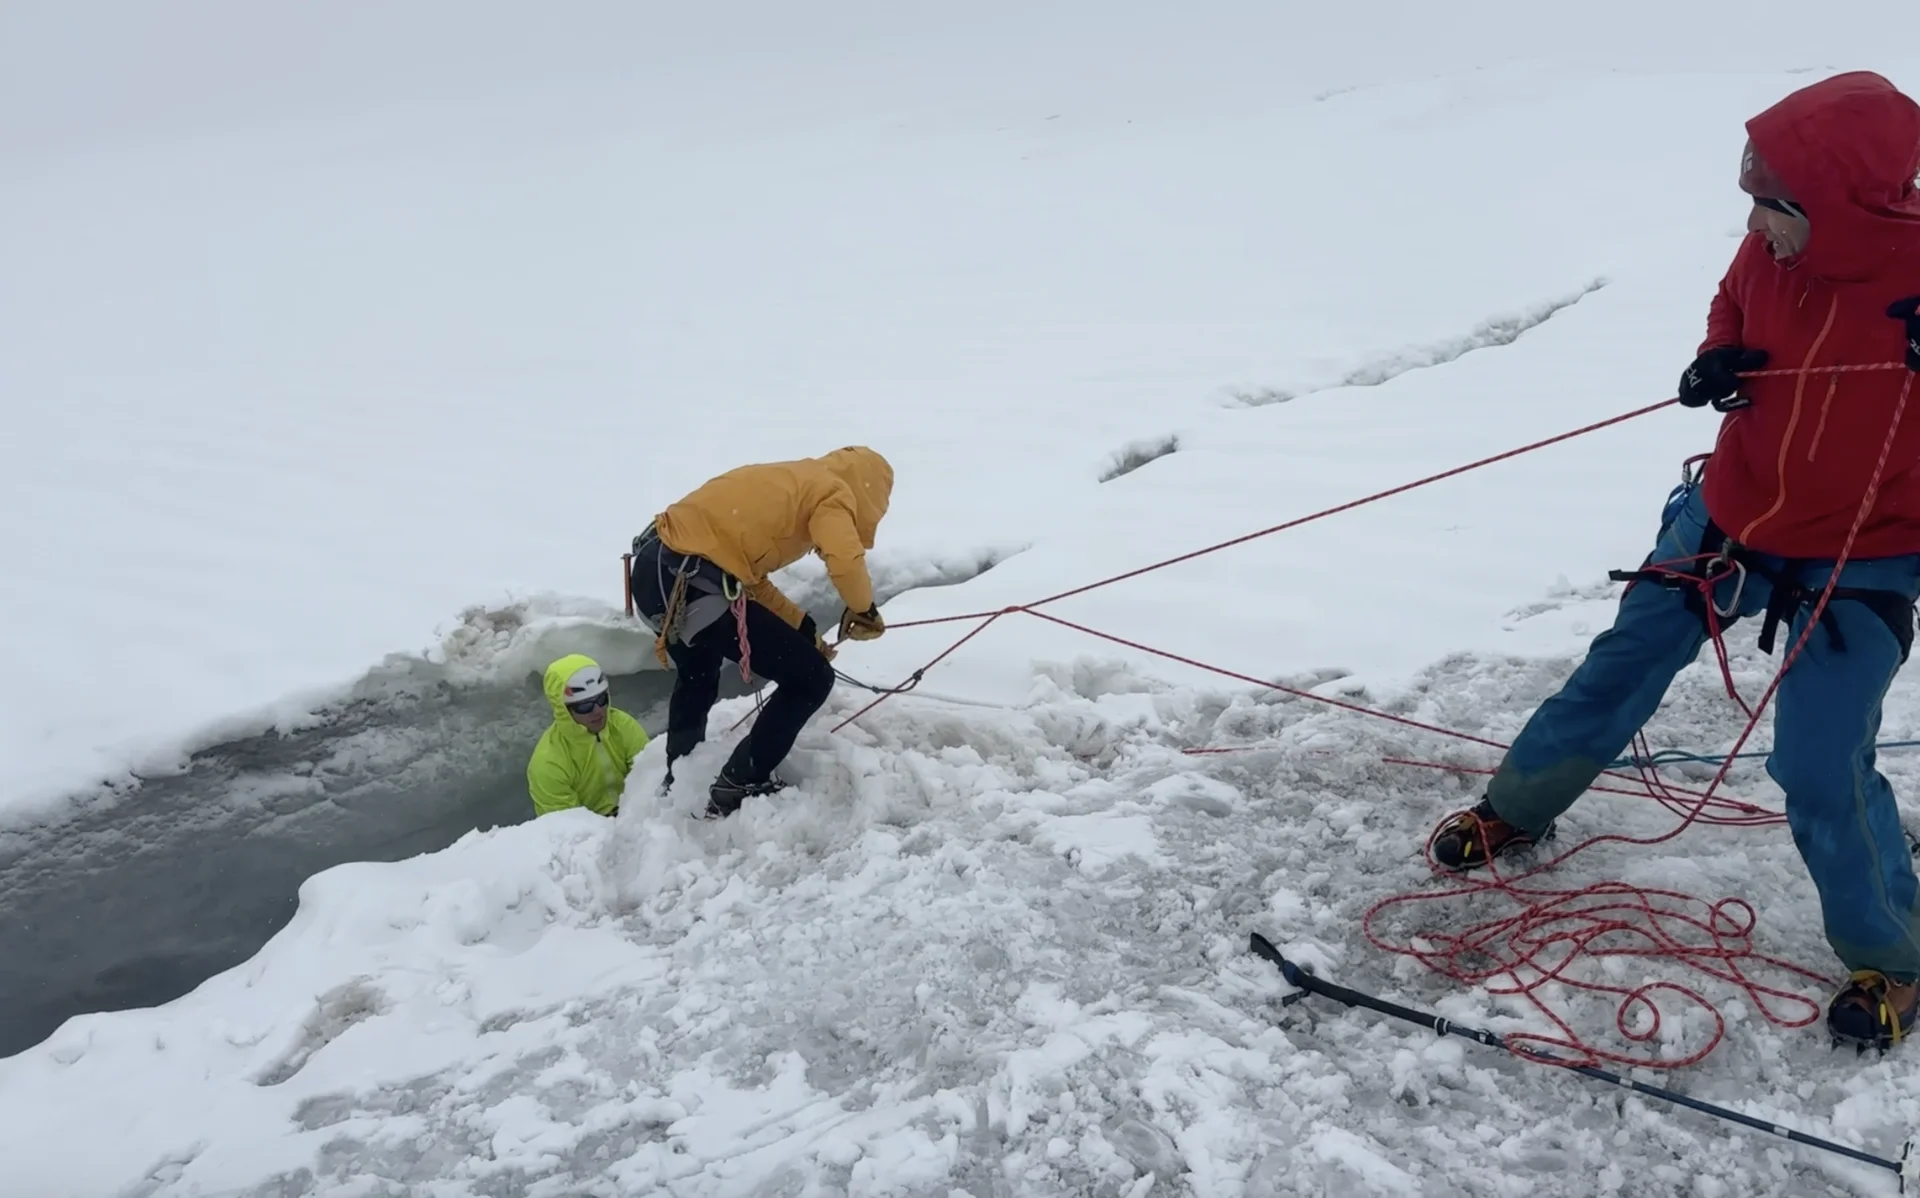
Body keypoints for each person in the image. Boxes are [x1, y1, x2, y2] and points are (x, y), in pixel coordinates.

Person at [1426, 71, 1920, 1050]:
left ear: (1838, 205)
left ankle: (1894, 957)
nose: (1756, 225)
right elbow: (1732, 300)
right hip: (1728, 516)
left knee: (1818, 760)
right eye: (1753, 201)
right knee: (1621, 664)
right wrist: (1718, 352)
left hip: (1863, 554)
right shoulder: (1767, 251)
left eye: (1773, 207)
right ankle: (1516, 808)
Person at [629, 446, 893, 817]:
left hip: (655, 574)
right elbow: (845, 559)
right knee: (811, 679)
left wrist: (804, 629)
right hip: (692, 581)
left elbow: (752, 582)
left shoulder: (794, 481)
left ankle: (681, 773)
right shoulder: (832, 492)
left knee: (698, 673)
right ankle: (741, 780)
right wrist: (864, 609)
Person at [526, 653, 651, 818]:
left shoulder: (623, 726)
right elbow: (568, 825)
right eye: (585, 706)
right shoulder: (549, 763)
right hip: (592, 830)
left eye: (601, 699)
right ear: (564, 710)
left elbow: (650, 777)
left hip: (635, 815)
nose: (598, 711)